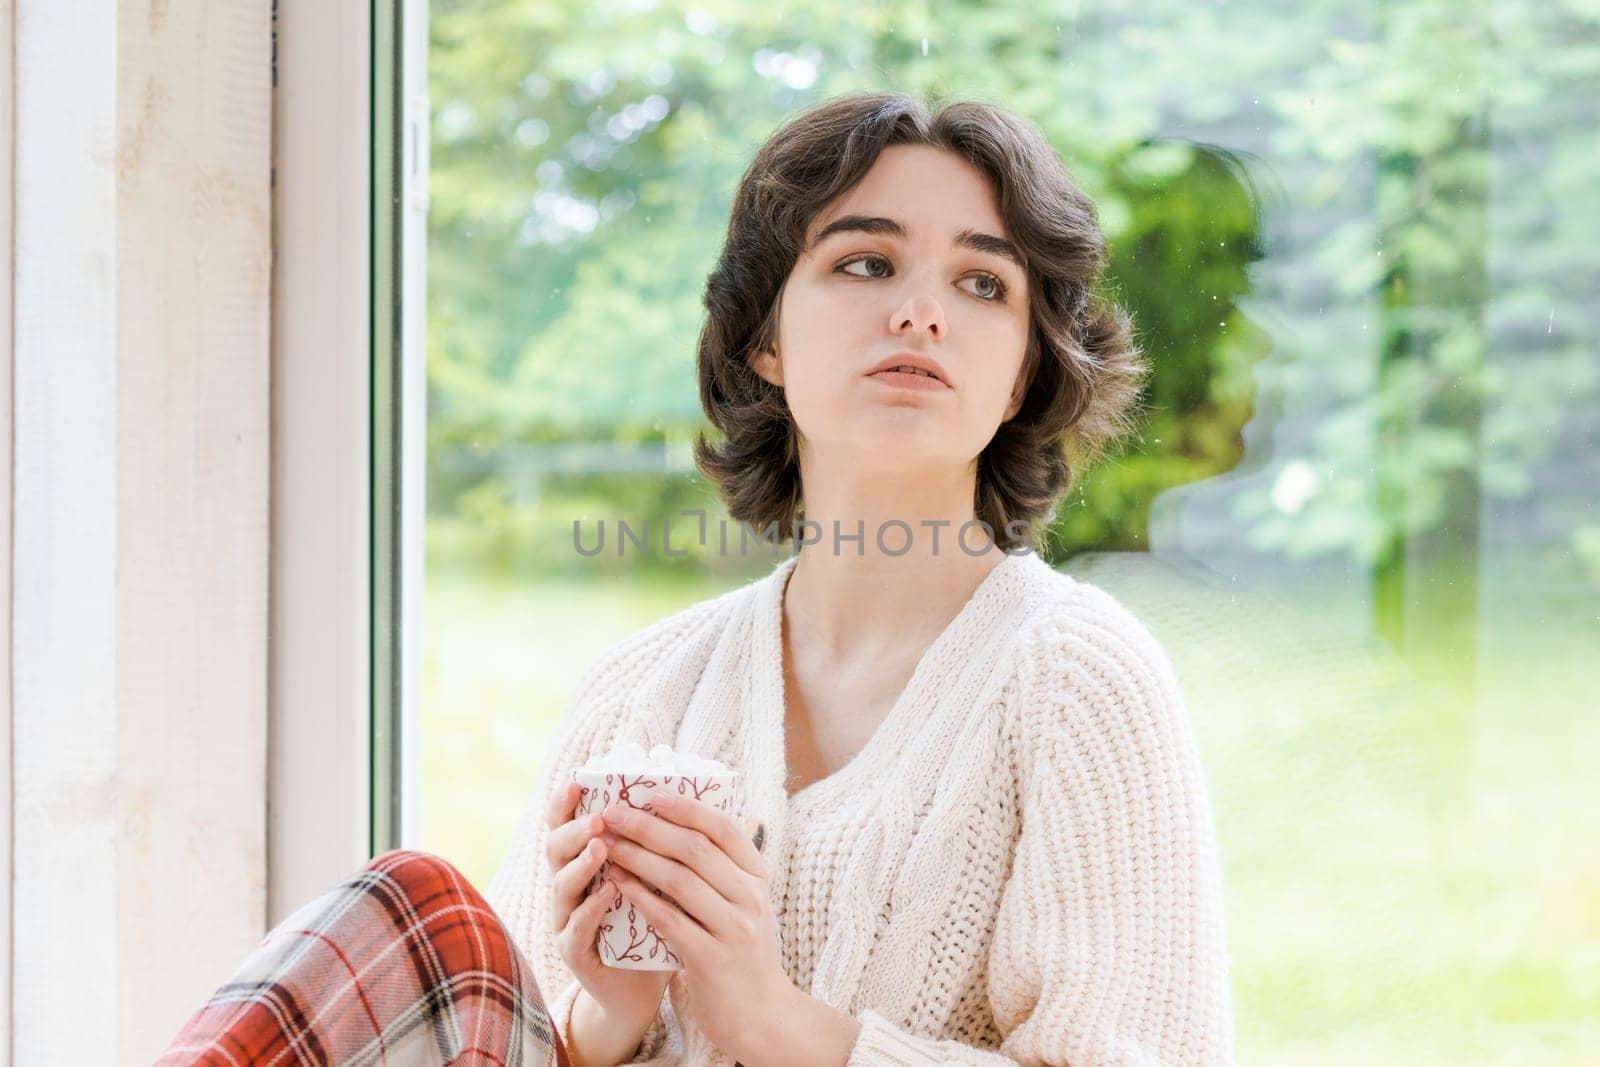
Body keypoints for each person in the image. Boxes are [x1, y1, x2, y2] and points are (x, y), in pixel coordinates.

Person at [157, 90, 1234, 1067]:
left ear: (1023, 372)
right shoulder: (642, 689)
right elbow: (493, 1041)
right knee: (410, 906)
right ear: (764, 337)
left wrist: (770, 1020)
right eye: (865, 262)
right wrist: (606, 1014)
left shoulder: (1074, 679)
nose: (920, 312)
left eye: (982, 282)